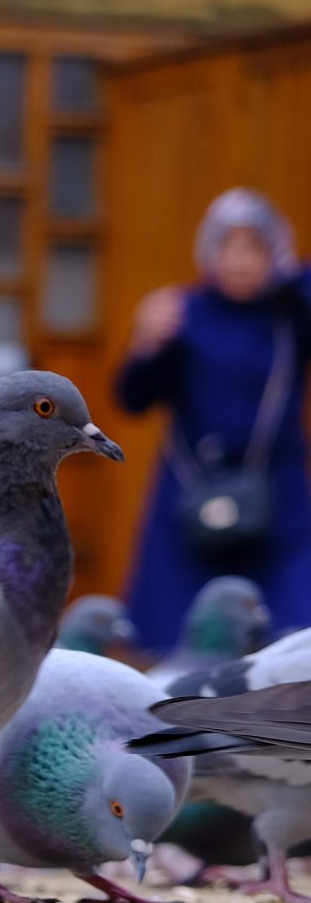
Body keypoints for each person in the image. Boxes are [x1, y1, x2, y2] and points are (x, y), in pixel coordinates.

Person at [117, 187, 311, 648]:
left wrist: (290, 276)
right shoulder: (183, 312)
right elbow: (133, 398)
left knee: (289, 641)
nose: (239, 260)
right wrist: (145, 343)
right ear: (209, 250)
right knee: (182, 644)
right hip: (190, 495)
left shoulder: (291, 314)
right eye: (228, 244)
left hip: (275, 499)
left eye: (255, 246)